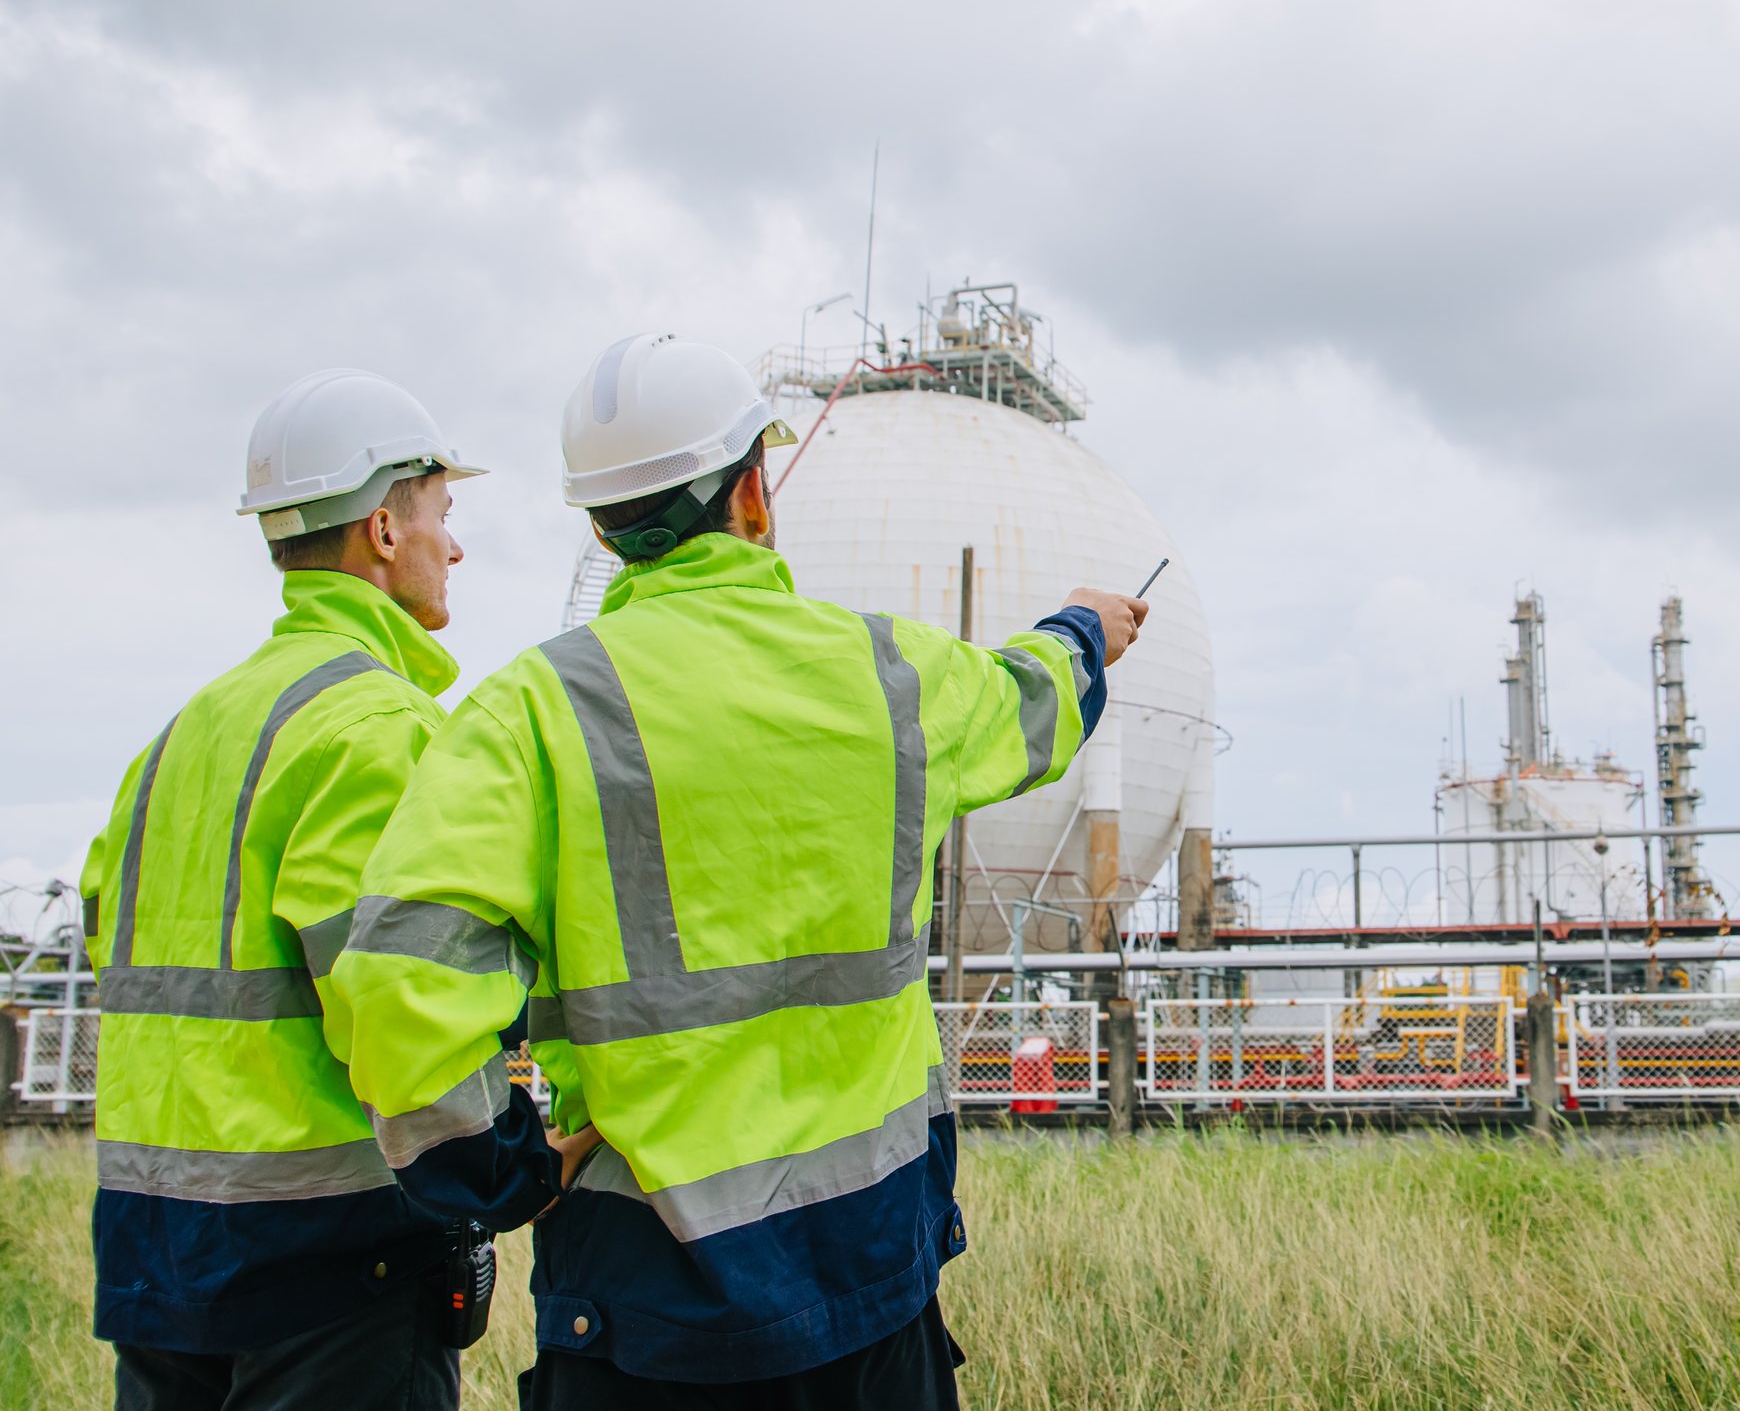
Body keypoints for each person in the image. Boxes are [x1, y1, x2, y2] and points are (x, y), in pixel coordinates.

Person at [330, 333, 1148, 1409]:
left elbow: (400, 983)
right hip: (866, 1271)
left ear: (602, 528)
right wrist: (1085, 629)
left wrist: (499, 1173)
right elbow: (1027, 703)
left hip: (642, 1300)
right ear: (754, 496)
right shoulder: (887, 676)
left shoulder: (529, 714)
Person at [78, 369, 488, 1411]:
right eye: (446, 512)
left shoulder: (184, 735)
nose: (457, 543)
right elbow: (401, 1001)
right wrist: (500, 1167)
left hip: (156, 1247)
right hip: (327, 1264)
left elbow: (105, 934)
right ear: (386, 531)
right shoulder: (376, 728)